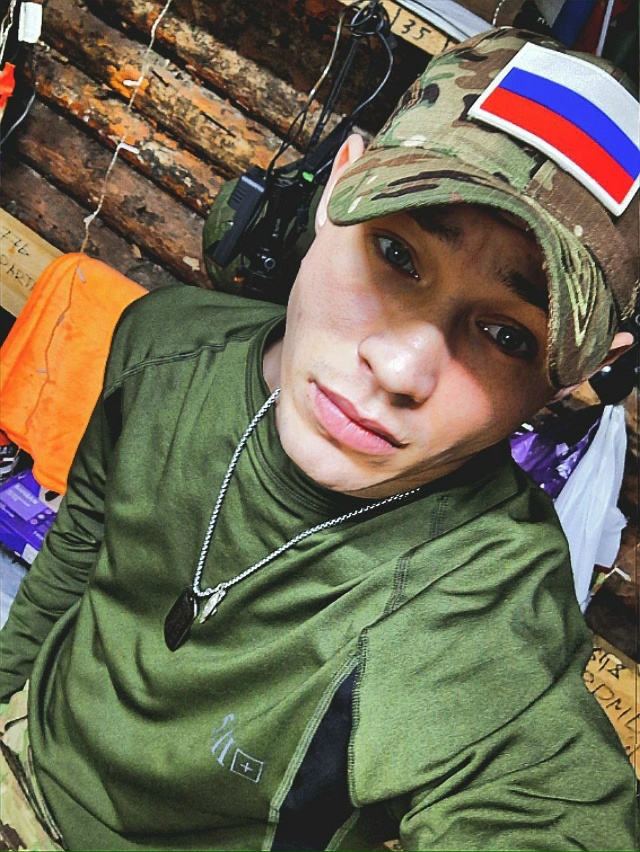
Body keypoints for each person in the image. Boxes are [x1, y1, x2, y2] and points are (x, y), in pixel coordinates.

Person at [1, 26, 638, 852]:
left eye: (508, 336)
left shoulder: (488, 596)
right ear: (339, 183)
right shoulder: (166, 343)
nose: (400, 367)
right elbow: (75, 560)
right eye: (397, 252)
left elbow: (543, 806)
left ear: (576, 372)